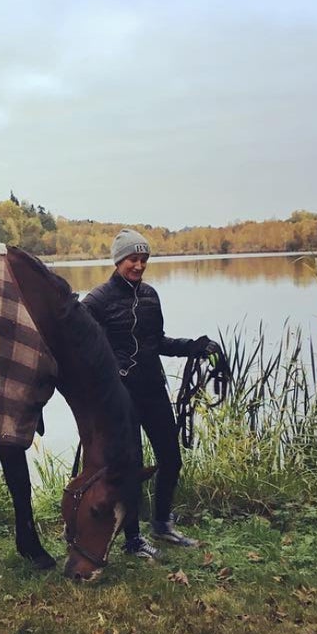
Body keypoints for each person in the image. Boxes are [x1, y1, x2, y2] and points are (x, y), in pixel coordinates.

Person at [81, 228, 223, 560]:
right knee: (131, 466)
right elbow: (82, 346)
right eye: (133, 259)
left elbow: (158, 343)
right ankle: (132, 540)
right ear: (119, 261)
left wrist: (195, 347)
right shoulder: (97, 301)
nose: (140, 265)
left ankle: (162, 523)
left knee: (171, 459)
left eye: (144, 259)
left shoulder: (150, 296)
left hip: (153, 388)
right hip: (121, 395)